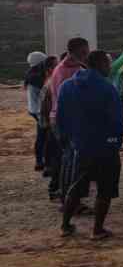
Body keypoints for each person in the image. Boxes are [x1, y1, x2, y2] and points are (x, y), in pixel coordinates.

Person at [57, 50, 123, 240]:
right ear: (101, 65)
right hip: (106, 148)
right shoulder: (107, 89)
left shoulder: (67, 86)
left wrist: (70, 141)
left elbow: (61, 119)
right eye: (107, 63)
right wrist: (115, 141)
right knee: (105, 190)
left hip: (81, 146)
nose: (110, 67)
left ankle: (65, 225)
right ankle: (97, 230)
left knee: (77, 187)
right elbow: (117, 122)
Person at [50, 38, 90, 209]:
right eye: (84, 52)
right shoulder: (71, 71)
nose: (87, 55)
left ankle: (67, 197)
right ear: (77, 52)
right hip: (69, 122)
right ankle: (71, 201)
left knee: (67, 160)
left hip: (60, 120)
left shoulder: (62, 68)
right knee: (73, 162)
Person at [37, 56, 61, 200]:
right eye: (56, 66)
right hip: (53, 127)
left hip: (51, 127)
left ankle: (55, 188)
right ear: (50, 69)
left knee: (57, 159)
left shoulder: (50, 83)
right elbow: (45, 109)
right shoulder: (51, 84)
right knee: (58, 160)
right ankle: (55, 189)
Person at [24, 51, 49, 171]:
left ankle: (41, 160)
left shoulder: (32, 74)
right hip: (39, 111)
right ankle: (40, 161)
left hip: (34, 109)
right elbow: (44, 94)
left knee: (43, 136)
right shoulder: (37, 77)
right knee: (43, 136)